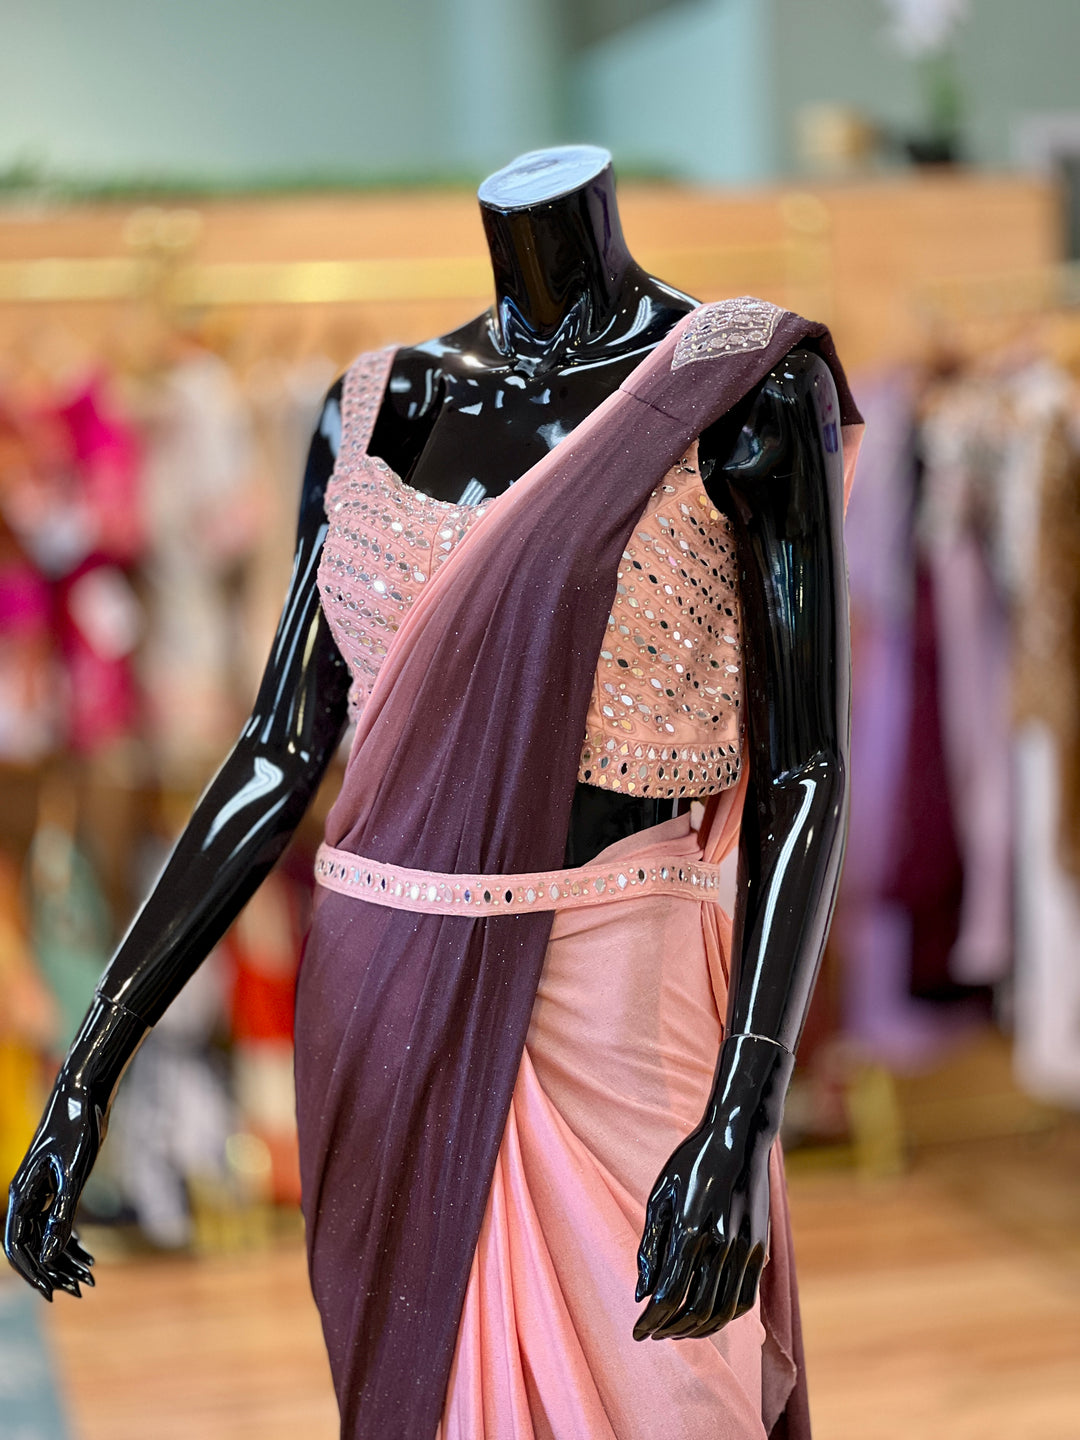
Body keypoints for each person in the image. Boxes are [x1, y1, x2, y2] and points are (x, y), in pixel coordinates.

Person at [6, 146, 861, 1439]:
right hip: (382, 991)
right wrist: (88, 1068)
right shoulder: (372, 406)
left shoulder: (741, 384)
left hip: (622, 995)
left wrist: (747, 1104)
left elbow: (805, 766)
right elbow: (280, 746)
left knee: (677, 1399)